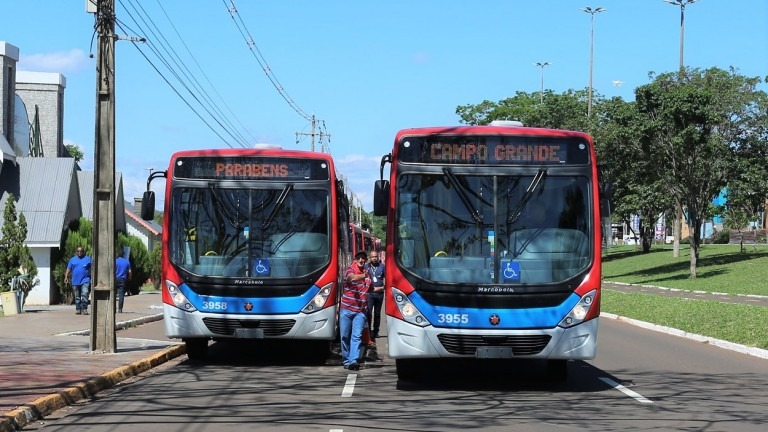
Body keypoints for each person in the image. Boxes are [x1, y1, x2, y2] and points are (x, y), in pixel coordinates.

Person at [339, 251, 371, 371]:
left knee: (357, 336)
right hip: (346, 309)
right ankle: (346, 360)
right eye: (359, 258)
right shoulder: (350, 270)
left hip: (360, 311)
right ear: (355, 259)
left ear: (366, 260)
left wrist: (385, 287)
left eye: (363, 258)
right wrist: (364, 276)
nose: (361, 260)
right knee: (344, 336)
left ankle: (353, 361)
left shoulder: (368, 274)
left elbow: (372, 289)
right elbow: (351, 278)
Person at [64, 246, 91, 315]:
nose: (79, 252)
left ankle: (84, 308)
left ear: (83, 252)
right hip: (75, 281)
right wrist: (66, 277)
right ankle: (78, 309)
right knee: (77, 296)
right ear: (76, 252)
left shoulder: (88, 259)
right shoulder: (72, 260)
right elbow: (68, 269)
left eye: (81, 251)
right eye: (78, 251)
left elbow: (93, 268)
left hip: (85, 280)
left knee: (85, 293)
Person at [365, 251, 385, 340]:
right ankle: (369, 331)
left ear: (378, 257)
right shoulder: (366, 267)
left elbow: (388, 279)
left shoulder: (382, 267)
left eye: (376, 257)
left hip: (379, 293)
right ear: (370, 257)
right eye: (373, 257)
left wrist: (382, 288)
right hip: (369, 294)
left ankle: (376, 331)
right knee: (368, 313)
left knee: (377, 313)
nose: (374, 258)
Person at [115, 249, 132, 313]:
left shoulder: (115, 261)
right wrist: (130, 278)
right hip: (123, 279)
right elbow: (129, 271)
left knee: (113, 294)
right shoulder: (127, 262)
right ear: (123, 255)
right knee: (121, 294)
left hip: (115, 279)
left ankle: (113, 307)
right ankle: (120, 308)